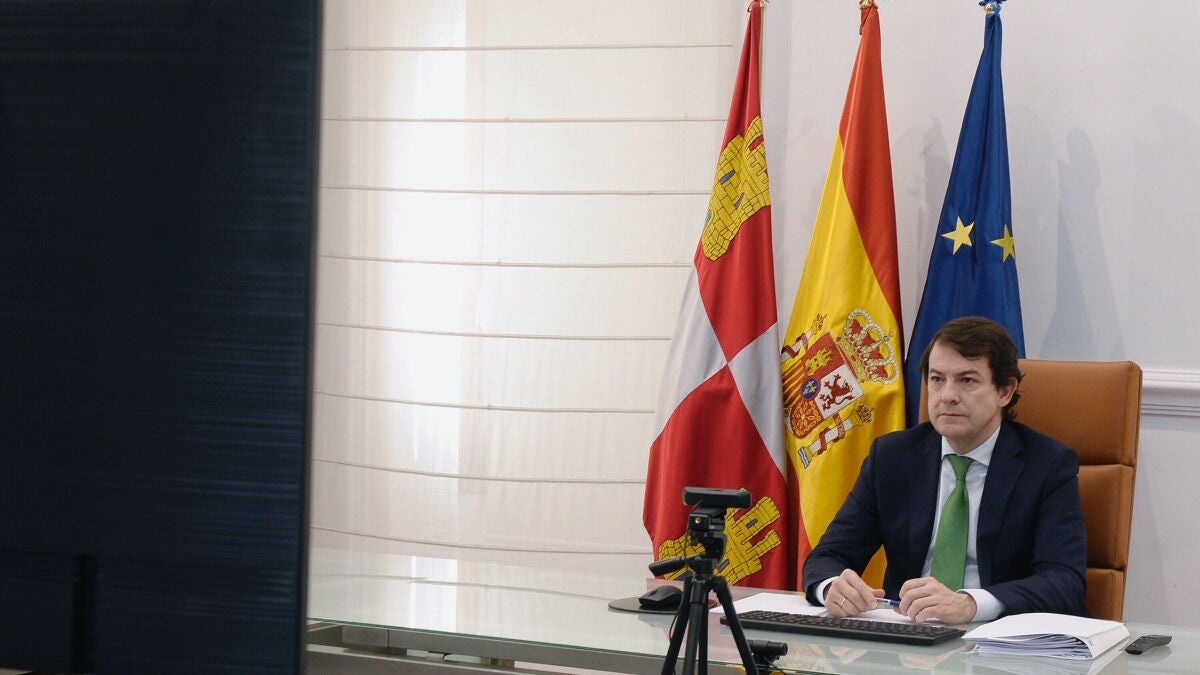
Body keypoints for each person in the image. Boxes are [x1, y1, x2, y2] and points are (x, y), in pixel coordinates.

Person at [802, 316, 1087, 624]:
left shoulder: (1047, 465)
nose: (947, 395)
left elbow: (1064, 581)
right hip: (909, 632)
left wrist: (970, 604)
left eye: (967, 381)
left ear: (1004, 392)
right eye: (937, 379)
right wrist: (831, 586)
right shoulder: (892, 456)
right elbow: (828, 556)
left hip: (999, 636)